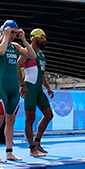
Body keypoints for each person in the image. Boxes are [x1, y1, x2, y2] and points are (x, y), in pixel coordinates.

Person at [0, 20, 34, 163]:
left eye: (16, 32)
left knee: (11, 121)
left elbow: (32, 56)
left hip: (14, 89)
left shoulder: (15, 46)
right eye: (11, 31)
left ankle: (9, 152)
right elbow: (1, 51)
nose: (14, 34)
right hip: (1, 88)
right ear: (4, 30)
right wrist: (5, 36)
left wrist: (24, 40)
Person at [18, 28, 53, 157]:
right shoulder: (27, 52)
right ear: (33, 38)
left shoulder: (41, 54)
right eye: (42, 37)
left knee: (49, 115)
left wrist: (48, 87)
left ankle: (37, 142)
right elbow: (17, 65)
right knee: (30, 119)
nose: (45, 39)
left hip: (39, 89)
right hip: (30, 88)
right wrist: (22, 85)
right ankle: (32, 148)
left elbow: (41, 73)